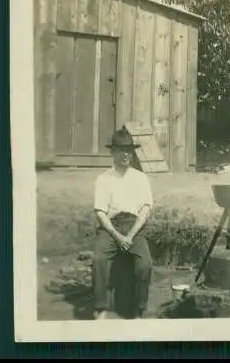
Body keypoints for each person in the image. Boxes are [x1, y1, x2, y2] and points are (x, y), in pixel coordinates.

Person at [92, 127, 154, 320]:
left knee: (145, 264)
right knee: (98, 260)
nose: (127, 154)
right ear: (113, 152)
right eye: (122, 150)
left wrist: (130, 235)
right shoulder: (103, 179)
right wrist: (117, 236)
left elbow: (145, 210)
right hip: (111, 228)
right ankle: (100, 308)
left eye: (129, 150)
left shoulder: (140, 178)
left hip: (135, 228)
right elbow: (100, 212)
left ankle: (138, 310)